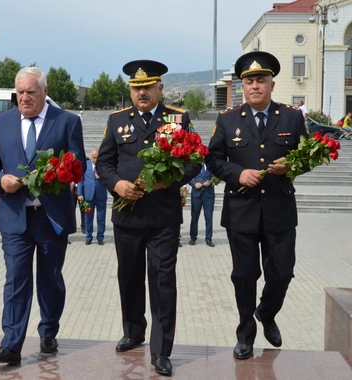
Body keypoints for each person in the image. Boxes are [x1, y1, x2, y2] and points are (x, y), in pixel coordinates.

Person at [96, 60, 200, 376]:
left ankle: (161, 350)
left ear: (160, 88)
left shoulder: (178, 119)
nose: (141, 92)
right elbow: (103, 163)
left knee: (162, 281)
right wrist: (116, 184)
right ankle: (133, 331)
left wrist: (166, 181)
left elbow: (195, 163)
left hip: (163, 218)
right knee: (128, 277)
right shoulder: (117, 121)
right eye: (136, 87)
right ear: (130, 89)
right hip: (126, 217)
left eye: (147, 86)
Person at [205, 51, 308, 360]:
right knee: (244, 276)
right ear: (242, 86)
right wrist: (238, 174)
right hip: (242, 211)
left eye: (261, 80)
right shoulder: (227, 120)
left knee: (282, 272)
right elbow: (212, 159)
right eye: (249, 81)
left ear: (271, 85)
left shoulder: (291, 117)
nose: (255, 86)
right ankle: (245, 333)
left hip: (279, 211)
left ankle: (267, 312)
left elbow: (307, 157)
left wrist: (291, 165)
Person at [0, 67, 86, 365]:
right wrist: (0, 179)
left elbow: (78, 164)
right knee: (15, 279)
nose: (24, 98)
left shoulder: (66, 121)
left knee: (50, 279)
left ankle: (49, 330)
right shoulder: (2, 122)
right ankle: (11, 344)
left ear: (44, 91)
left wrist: (55, 173)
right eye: (20, 93)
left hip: (51, 217)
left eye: (31, 92)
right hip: (15, 216)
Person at [77, 148, 108, 245]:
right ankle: (88, 237)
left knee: (101, 218)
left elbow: (109, 178)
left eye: (97, 157)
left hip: (101, 195)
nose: (95, 159)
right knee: (88, 218)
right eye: (94, 157)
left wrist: (101, 177)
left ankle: (100, 237)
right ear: (90, 156)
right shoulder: (86, 165)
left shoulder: (103, 166)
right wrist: (80, 193)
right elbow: (80, 179)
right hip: (88, 195)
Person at [188, 163, 216, 247]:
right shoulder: (195, 165)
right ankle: (193, 237)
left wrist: (211, 182)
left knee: (209, 217)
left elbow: (217, 177)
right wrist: (194, 184)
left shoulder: (211, 165)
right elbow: (188, 177)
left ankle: (208, 238)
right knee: (194, 217)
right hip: (197, 194)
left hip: (208, 195)